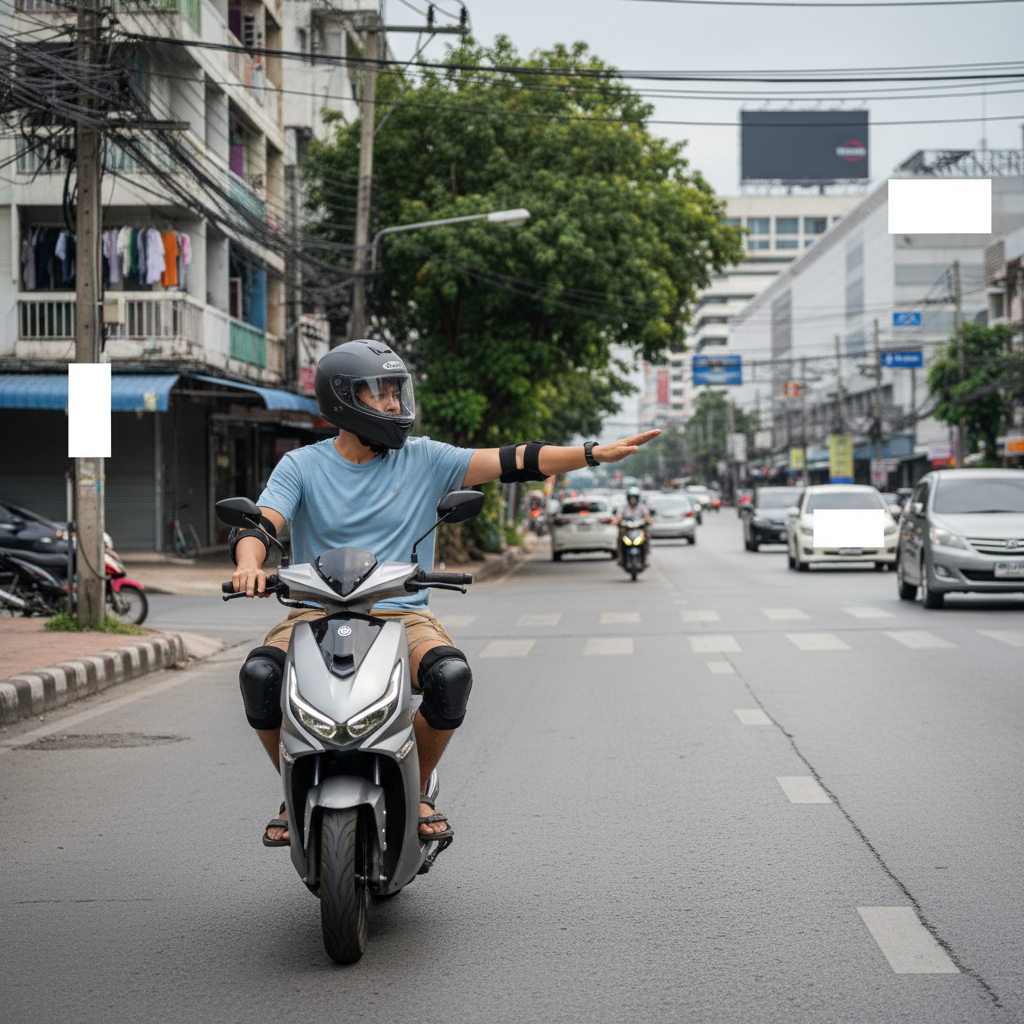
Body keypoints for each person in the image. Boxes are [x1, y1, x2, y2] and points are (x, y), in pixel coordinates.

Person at [230, 340, 660, 847]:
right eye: (379, 394)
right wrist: (249, 565)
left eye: (396, 392)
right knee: (259, 675)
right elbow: (261, 524)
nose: (394, 405)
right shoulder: (300, 466)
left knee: (449, 676)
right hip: (310, 612)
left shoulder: (426, 458)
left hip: (400, 614)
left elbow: (516, 459)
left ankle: (414, 785)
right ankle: (292, 782)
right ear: (342, 402)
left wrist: (593, 453)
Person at [613, 486, 653, 567]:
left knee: (647, 537)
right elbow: (617, 518)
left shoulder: (642, 508)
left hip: (639, 529)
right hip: (626, 530)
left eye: (634, 498)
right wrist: (616, 521)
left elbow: (648, 518)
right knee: (620, 538)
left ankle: (646, 558)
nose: (633, 500)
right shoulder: (623, 508)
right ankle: (620, 557)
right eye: (631, 498)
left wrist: (648, 521)